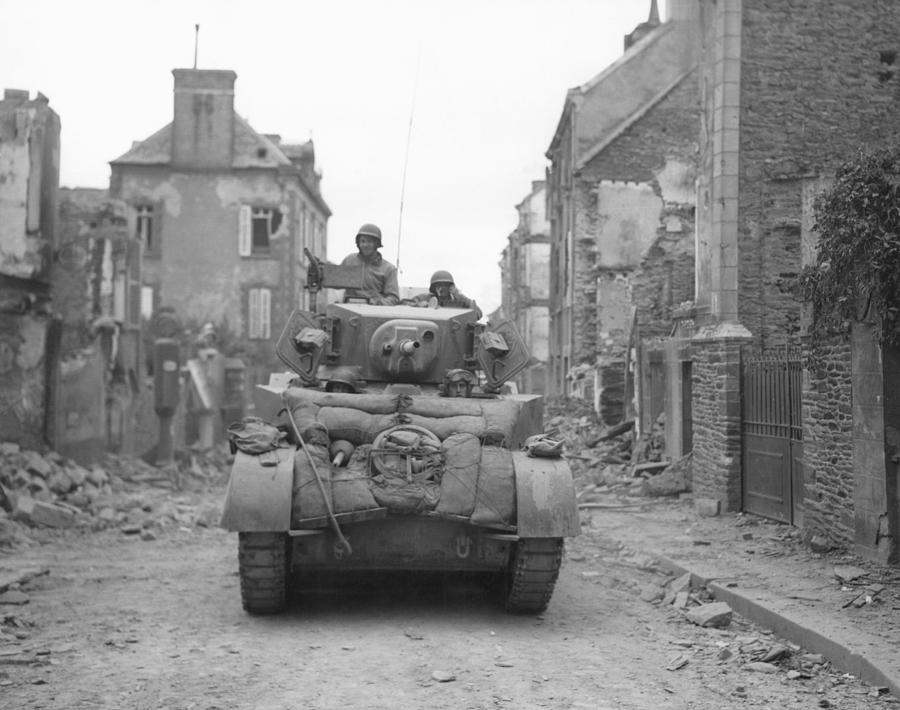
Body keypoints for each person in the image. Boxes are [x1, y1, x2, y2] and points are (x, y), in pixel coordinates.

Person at [339, 223, 399, 305]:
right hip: (349, 309)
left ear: (377, 244)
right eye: (362, 241)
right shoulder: (349, 261)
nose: (365, 245)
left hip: (374, 311)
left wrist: (375, 303)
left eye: (369, 241)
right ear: (358, 243)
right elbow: (333, 280)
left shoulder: (388, 269)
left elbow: (393, 298)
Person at [416, 270, 483, 319]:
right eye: (438, 285)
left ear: (450, 287)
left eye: (445, 285)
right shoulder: (425, 298)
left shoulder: (459, 302)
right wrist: (419, 305)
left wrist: (459, 296)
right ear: (434, 287)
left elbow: (478, 314)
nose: (441, 288)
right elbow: (407, 305)